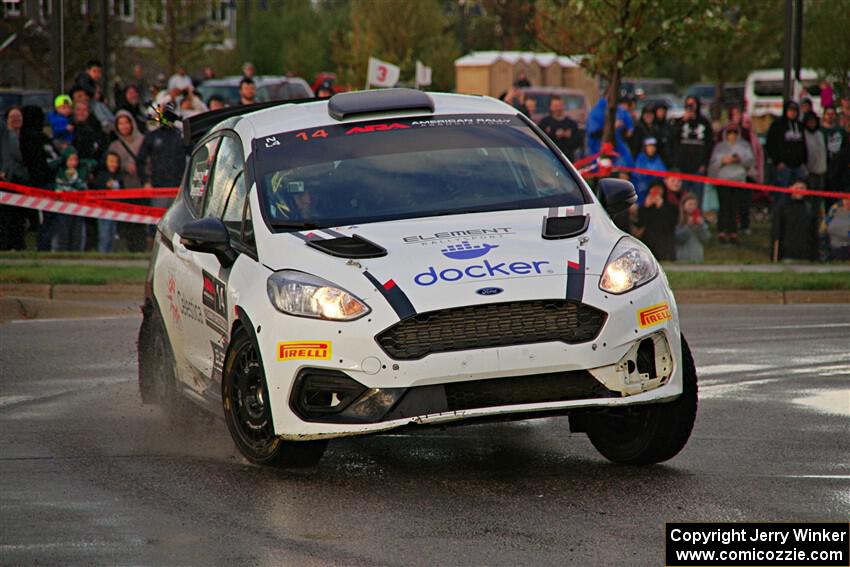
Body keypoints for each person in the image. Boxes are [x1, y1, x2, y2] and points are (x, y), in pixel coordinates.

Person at [136, 109, 186, 247]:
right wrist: (145, 181)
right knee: (157, 222)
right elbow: (140, 160)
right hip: (158, 186)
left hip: (178, 187)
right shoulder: (152, 137)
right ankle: (154, 248)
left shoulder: (180, 136)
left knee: (177, 222)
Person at [708, 124, 754, 244]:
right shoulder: (720, 147)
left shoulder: (744, 146)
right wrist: (723, 160)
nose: (732, 135)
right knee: (724, 207)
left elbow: (750, 160)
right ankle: (722, 232)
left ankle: (733, 232)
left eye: (734, 133)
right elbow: (713, 163)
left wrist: (739, 159)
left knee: (735, 207)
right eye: (729, 133)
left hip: (738, 180)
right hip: (723, 179)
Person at [108, 111, 147, 252]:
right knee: (127, 222)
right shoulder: (115, 146)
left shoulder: (143, 140)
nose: (124, 126)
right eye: (120, 123)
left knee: (141, 221)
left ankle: (141, 248)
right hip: (124, 189)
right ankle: (130, 248)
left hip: (141, 188)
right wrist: (124, 166)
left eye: (126, 122)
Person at [669, 95, 713, 205]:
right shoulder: (679, 121)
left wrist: (705, 163)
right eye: (688, 105)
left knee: (698, 198)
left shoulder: (704, 122)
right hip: (682, 166)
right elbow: (672, 138)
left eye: (692, 105)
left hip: (698, 166)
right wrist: (682, 121)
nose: (690, 107)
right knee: (682, 197)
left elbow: (709, 144)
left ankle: (697, 219)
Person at [52, 147, 95, 251]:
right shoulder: (60, 171)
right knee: (63, 230)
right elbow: (51, 164)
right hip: (63, 207)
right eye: (70, 160)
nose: (73, 163)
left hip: (78, 207)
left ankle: (76, 252)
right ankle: (61, 252)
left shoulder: (81, 171)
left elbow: (93, 163)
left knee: (77, 231)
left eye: (75, 160)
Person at [0, 106, 29, 250]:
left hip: (21, 183)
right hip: (10, 181)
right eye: (13, 116)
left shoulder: (23, 136)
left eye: (19, 116)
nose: (16, 119)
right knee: (9, 216)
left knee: (18, 217)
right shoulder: (8, 137)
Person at [772, 181, 819, 262]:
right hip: (787, 255)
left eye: (802, 188)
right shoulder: (782, 206)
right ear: (790, 188)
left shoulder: (810, 208)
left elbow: (814, 232)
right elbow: (777, 231)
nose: (799, 190)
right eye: (797, 188)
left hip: (806, 255)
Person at [766, 100, 807, 191]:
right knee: (781, 193)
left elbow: (804, 145)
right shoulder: (777, 125)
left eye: (795, 110)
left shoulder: (800, 126)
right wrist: (777, 161)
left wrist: (804, 161)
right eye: (790, 110)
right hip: (783, 166)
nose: (793, 112)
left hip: (798, 165)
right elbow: (770, 144)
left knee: (799, 193)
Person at [633, 180, 678, 260]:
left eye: (659, 189)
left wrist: (661, 208)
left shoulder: (671, 207)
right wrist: (646, 208)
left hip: (664, 243)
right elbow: (640, 224)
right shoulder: (643, 208)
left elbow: (671, 224)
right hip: (648, 242)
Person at [586, 94, 634, 166]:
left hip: (615, 151)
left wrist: (624, 130)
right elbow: (594, 133)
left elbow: (629, 131)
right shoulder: (596, 112)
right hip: (598, 151)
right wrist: (612, 126)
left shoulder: (620, 111)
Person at [92, 152, 124, 253]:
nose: (114, 164)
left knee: (112, 233)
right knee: (104, 234)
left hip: (116, 210)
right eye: (111, 161)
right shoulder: (101, 176)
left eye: (116, 162)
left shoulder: (119, 177)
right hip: (103, 210)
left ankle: (110, 255)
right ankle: (102, 255)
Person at [822, 106, 848, 202]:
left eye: (832, 114)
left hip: (838, 167)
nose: (830, 116)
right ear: (824, 116)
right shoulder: (820, 131)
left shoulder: (841, 131)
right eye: (828, 114)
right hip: (824, 165)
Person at [675, 192, 710, 262]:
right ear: (683, 205)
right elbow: (678, 239)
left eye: (695, 204)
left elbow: (706, 239)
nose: (692, 207)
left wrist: (700, 226)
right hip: (682, 258)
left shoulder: (700, 220)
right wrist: (688, 226)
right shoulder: (678, 221)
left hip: (697, 257)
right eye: (690, 204)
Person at [71, 101, 107, 170]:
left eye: (84, 110)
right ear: (73, 111)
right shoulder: (65, 127)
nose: (81, 113)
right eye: (78, 110)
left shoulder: (96, 129)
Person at [632, 137, 667, 205]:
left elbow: (663, 173)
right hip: (641, 187)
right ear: (645, 147)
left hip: (654, 186)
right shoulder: (640, 157)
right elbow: (638, 175)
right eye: (650, 146)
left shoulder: (657, 158)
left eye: (654, 146)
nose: (652, 149)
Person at [803, 111, 827, 192]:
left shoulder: (820, 134)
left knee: (819, 193)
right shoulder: (803, 134)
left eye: (813, 122)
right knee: (810, 193)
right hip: (809, 171)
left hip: (821, 170)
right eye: (809, 122)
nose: (812, 124)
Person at [821, 196, 850, 260]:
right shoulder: (835, 209)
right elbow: (824, 227)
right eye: (846, 199)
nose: (848, 202)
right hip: (835, 245)